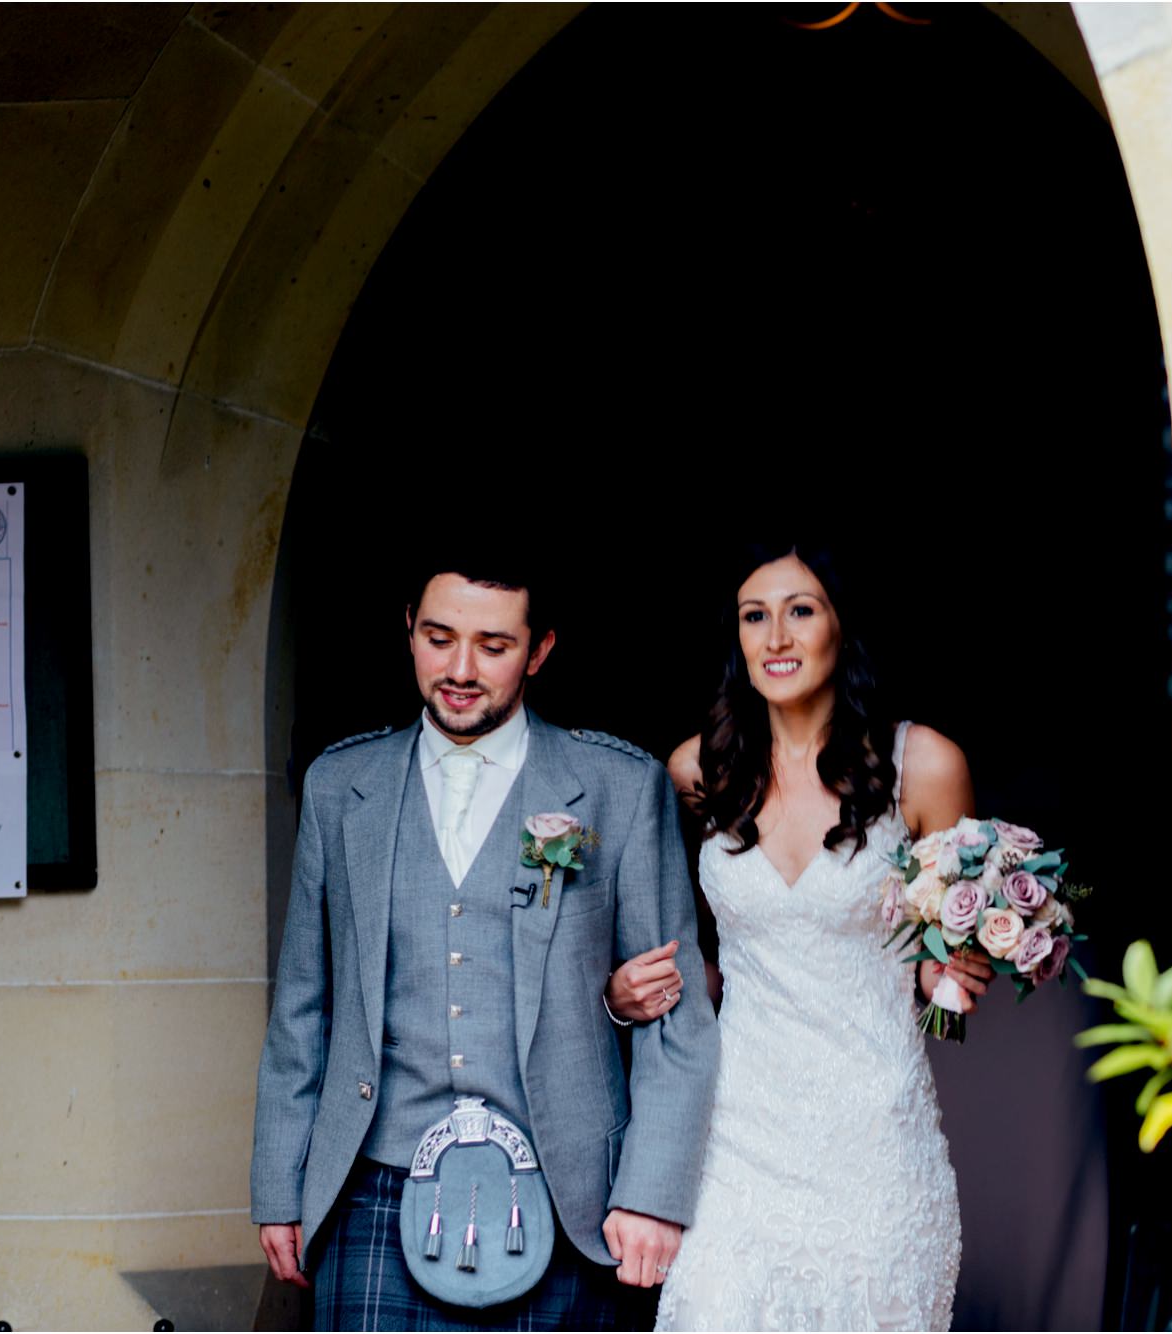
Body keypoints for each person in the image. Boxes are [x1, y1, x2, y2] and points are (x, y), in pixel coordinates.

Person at [251, 554, 719, 1331]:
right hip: (372, 1186)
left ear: (539, 651)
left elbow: (676, 1017)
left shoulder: (617, 786)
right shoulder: (341, 786)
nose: (461, 669)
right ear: (409, 630)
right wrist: (278, 1182)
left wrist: (652, 1193)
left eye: (494, 647)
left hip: (570, 1194)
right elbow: (303, 1006)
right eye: (439, 638)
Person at [607, 540, 993, 1331]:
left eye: (800, 611)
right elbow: (677, 944)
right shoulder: (696, 770)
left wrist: (948, 978)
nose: (776, 637)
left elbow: (948, 1001)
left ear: (840, 629)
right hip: (734, 1135)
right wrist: (625, 994)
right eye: (756, 616)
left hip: (875, 1137)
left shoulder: (923, 766)